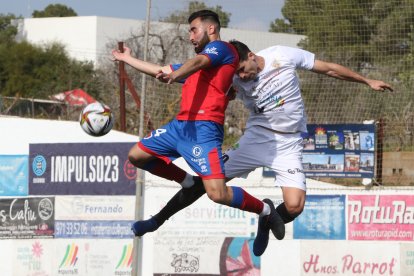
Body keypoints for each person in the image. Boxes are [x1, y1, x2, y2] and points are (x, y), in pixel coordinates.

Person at [131, 38, 393, 256]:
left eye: (243, 69)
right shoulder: (230, 76)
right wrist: (127, 60)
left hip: (288, 144)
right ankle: (157, 220)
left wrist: (366, 80)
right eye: (238, 73)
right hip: (256, 139)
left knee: (294, 206)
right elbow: (167, 70)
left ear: (253, 56)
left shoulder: (282, 55)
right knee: (207, 184)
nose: (242, 76)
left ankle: (266, 220)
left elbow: (328, 69)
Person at [111, 10, 284, 247]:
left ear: (211, 29)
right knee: (136, 155)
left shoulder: (223, 50)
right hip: (179, 127)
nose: (190, 36)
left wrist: (178, 73)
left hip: (204, 131)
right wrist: (126, 59)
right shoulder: (198, 68)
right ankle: (187, 180)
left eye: (194, 30)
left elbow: (199, 60)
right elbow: (160, 69)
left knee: (217, 194)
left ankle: (265, 210)